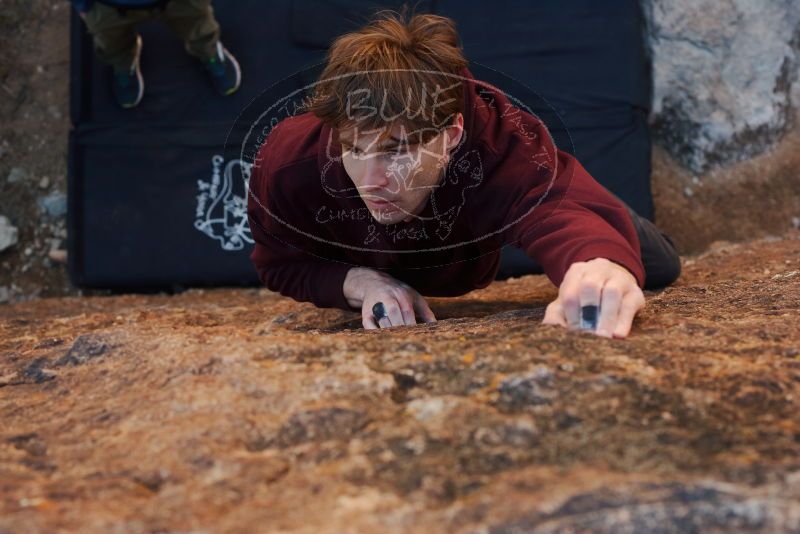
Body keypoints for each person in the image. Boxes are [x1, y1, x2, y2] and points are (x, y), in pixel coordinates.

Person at [246, 11, 681, 338]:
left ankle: (609, 216)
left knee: (652, 264)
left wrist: (596, 260)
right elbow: (279, 265)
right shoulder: (290, 162)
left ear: (451, 133)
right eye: (354, 148)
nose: (373, 178)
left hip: (496, 209)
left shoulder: (505, 145)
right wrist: (357, 282)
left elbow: (551, 207)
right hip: (406, 250)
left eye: (397, 150)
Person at [70, 0, 241, 108]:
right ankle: (123, 62)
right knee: (112, 43)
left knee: (198, 28)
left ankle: (209, 52)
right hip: (107, 7)